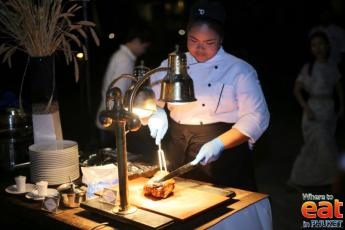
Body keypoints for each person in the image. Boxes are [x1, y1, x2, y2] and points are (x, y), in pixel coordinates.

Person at [148, 0, 270, 191]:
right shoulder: (173, 63)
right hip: (178, 146)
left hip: (224, 152)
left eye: (209, 43)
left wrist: (219, 143)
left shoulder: (239, 69)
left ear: (221, 39)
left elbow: (256, 117)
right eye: (193, 40)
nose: (199, 49)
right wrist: (155, 111)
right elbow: (149, 96)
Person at [288, 31, 344, 189]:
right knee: (317, 143)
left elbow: (339, 88)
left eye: (321, 44)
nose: (318, 48)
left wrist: (341, 107)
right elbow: (297, 90)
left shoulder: (333, 67)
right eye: (314, 45)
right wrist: (306, 108)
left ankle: (327, 180)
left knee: (327, 144)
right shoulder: (308, 68)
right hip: (312, 109)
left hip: (328, 109)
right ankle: (298, 178)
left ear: (327, 46)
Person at [96, 25, 151, 147]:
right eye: (144, 46)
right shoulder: (125, 59)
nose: (144, 51)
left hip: (109, 116)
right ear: (136, 41)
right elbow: (118, 92)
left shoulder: (121, 56)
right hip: (112, 120)